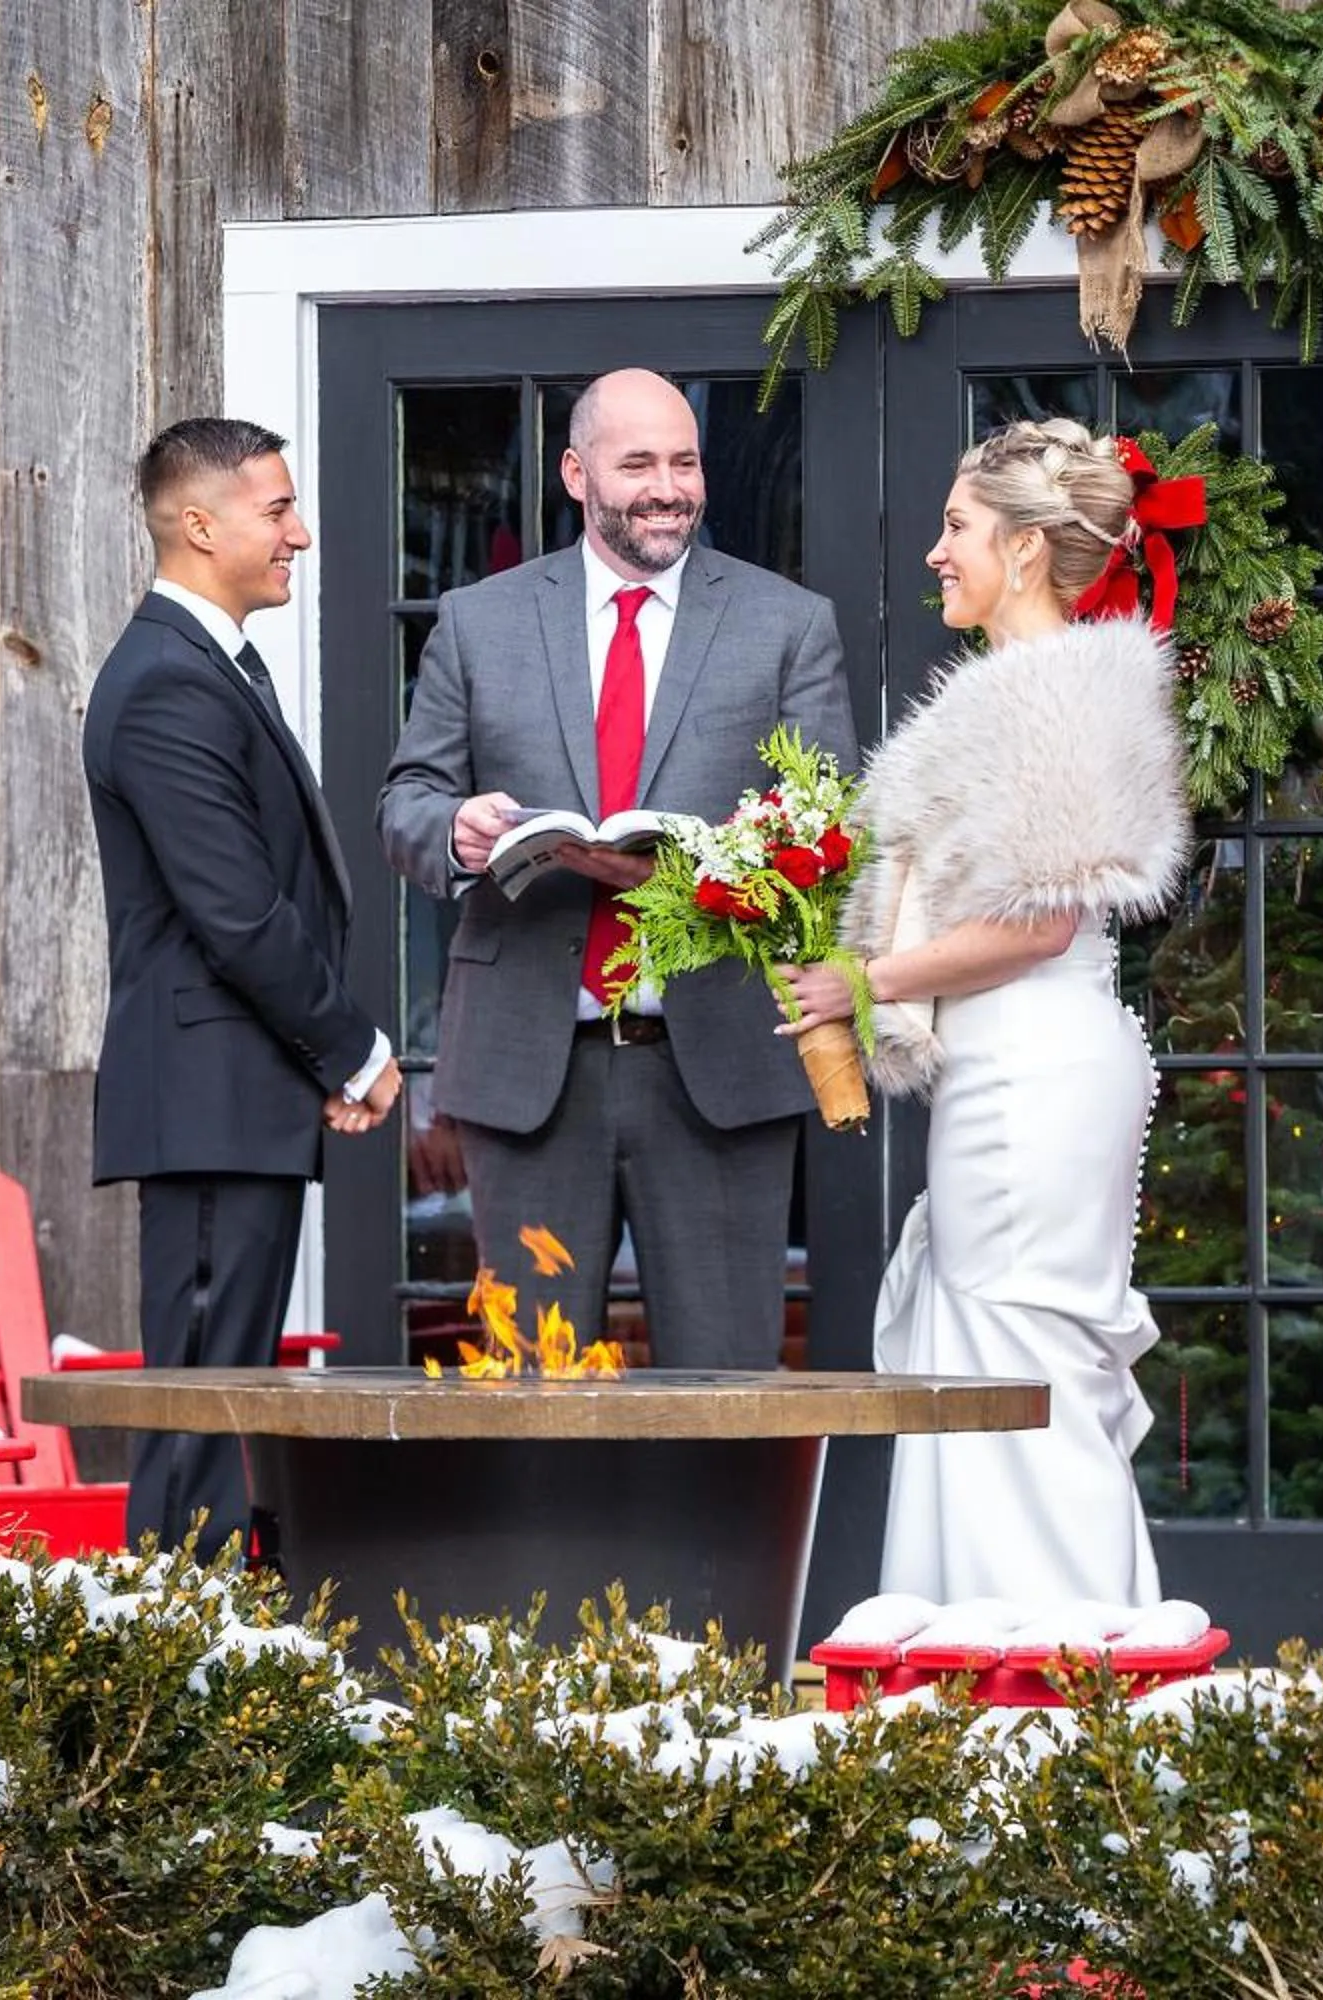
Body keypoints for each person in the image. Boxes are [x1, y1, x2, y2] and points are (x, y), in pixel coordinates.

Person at [779, 417, 1190, 1607]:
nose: (935, 553)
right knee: (988, 1350)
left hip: (1038, 1071)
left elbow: (1044, 920)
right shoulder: (1022, 687)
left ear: (1021, 548)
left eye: (956, 527)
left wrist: (869, 983)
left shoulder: (1062, 691)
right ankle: (983, 1653)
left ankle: (1059, 1665)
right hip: (1009, 1063)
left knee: (1022, 1354)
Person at [378, 370, 855, 1367]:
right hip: (527, 1070)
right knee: (531, 1389)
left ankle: (717, 1538)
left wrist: (700, 871)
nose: (668, 485)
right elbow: (406, 804)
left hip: (718, 1062)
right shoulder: (480, 620)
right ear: (575, 471)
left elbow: (830, 830)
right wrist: (456, 828)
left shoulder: (787, 623)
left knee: (727, 1394)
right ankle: (539, 1536)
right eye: (638, 462)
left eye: (684, 461)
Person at [83, 416, 398, 1562]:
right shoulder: (169, 681)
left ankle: (197, 1638)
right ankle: (173, 1653)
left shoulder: (205, 663)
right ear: (201, 522)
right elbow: (235, 912)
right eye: (277, 510)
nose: (300, 534)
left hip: (234, 1094)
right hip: (208, 1099)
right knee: (199, 1405)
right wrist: (352, 1048)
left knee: (220, 1390)